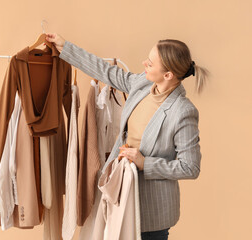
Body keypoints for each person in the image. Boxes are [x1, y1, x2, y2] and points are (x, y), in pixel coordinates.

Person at [45, 33, 209, 240]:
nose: (144, 64)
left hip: (151, 211)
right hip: (119, 196)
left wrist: (144, 163)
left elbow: (191, 167)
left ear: (168, 74)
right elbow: (106, 71)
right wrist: (65, 47)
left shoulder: (183, 111)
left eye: (150, 63)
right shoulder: (142, 84)